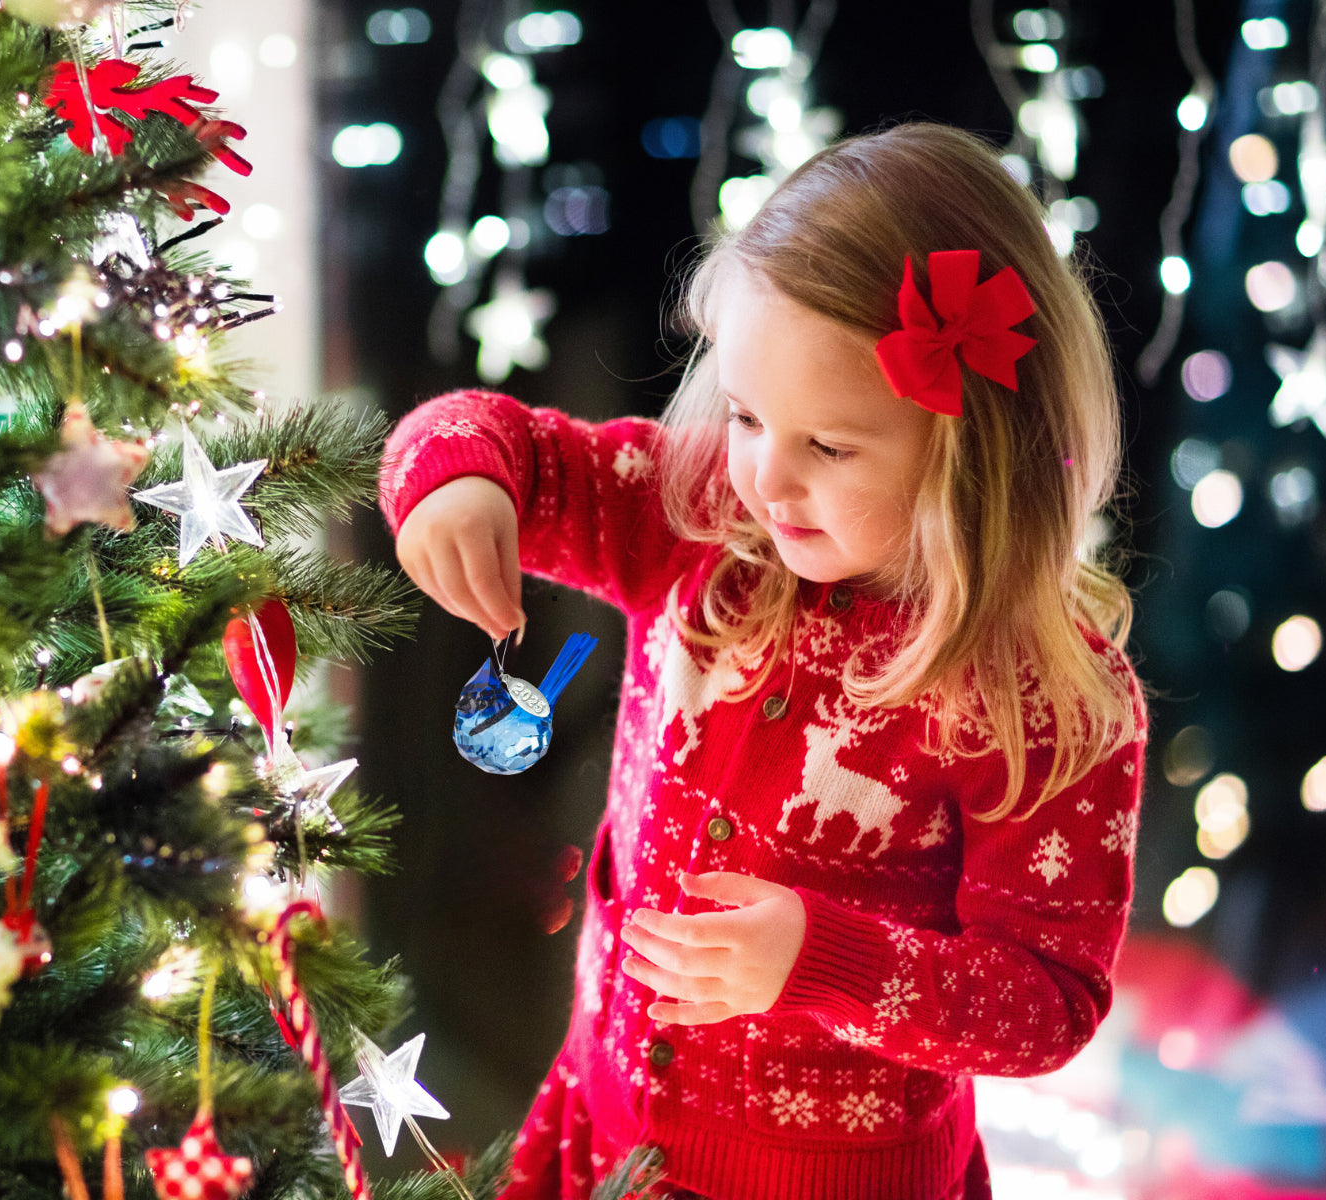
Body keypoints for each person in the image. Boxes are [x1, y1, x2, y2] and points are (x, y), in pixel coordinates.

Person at [378, 122, 1148, 1200]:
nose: (766, 480)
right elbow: (500, 440)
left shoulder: (1043, 699)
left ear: (973, 448)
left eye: (828, 447)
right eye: (744, 416)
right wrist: (459, 482)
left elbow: (1048, 1002)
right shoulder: (699, 522)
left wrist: (823, 962)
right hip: (605, 1130)